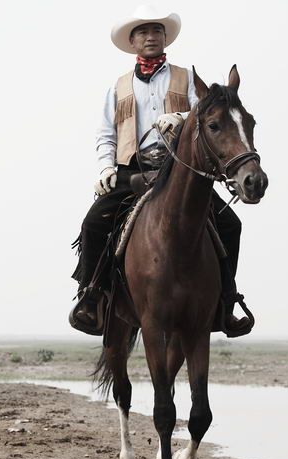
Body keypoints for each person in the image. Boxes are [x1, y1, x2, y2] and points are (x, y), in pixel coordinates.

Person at [69, 5, 252, 337]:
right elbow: (105, 134)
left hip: (179, 171)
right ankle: (90, 296)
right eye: (143, 32)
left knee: (230, 224)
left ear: (165, 38)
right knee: (93, 223)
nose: (150, 37)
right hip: (133, 170)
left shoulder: (186, 77)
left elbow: (209, 118)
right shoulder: (118, 87)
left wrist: (181, 119)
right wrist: (105, 167)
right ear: (133, 41)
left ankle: (226, 302)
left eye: (156, 31)